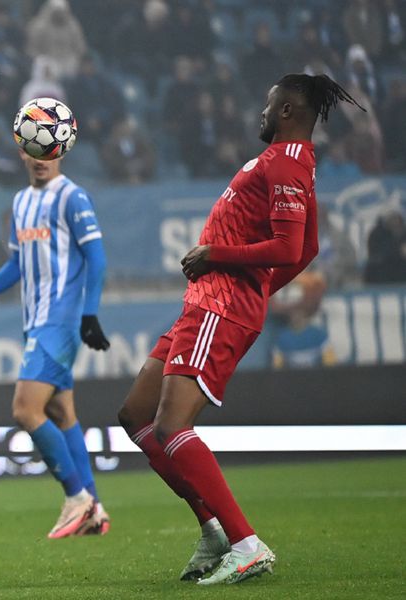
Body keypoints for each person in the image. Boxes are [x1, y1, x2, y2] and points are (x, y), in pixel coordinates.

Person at [116, 73, 364, 585]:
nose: (262, 112)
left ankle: (245, 543)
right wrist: (256, 290)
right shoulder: (288, 163)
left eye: (269, 105)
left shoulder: (287, 162)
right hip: (211, 302)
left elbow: (290, 249)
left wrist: (217, 258)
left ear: (289, 112)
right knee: (135, 414)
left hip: (219, 305)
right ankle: (211, 529)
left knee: (170, 427)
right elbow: (309, 248)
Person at [0, 150, 111, 539]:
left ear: (62, 151)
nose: (43, 158)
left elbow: (97, 258)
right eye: (36, 150)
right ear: (23, 152)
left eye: (51, 151)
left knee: (26, 409)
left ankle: (76, 497)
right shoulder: (22, 202)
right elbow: (17, 263)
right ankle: (95, 507)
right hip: (34, 322)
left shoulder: (72, 197)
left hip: (61, 322)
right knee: (61, 411)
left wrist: (90, 313)